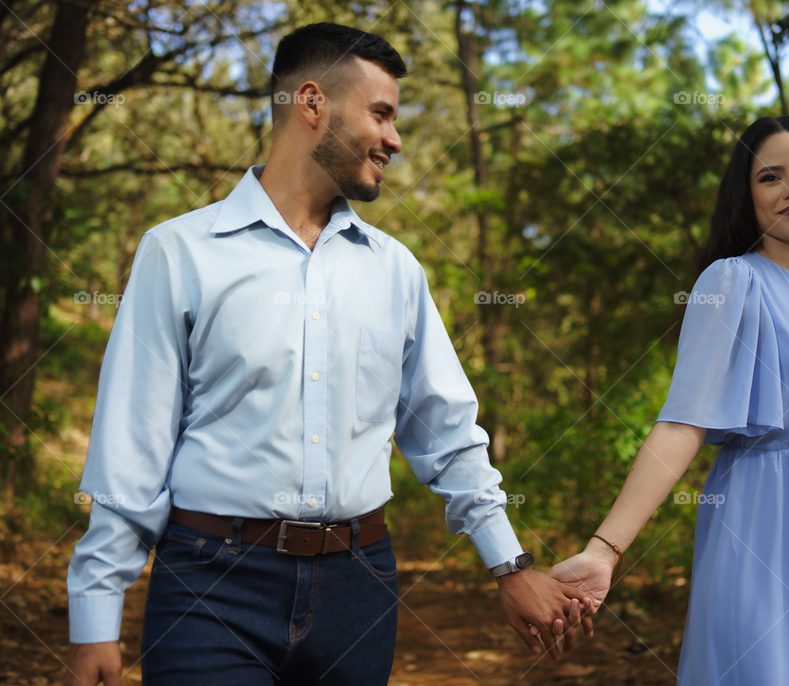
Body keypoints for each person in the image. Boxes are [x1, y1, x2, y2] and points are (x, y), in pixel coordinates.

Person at [65, 22, 593, 686]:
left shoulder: (395, 270)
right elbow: (131, 447)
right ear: (312, 104)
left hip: (359, 587)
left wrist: (508, 564)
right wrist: (94, 617)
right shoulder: (179, 252)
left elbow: (447, 432)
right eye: (381, 113)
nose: (395, 139)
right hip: (209, 587)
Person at [550, 116, 789, 684]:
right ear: (748, 197)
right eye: (771, 177)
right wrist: (604, 551)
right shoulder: (732, 281)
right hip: (766, 530)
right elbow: (682, 423)